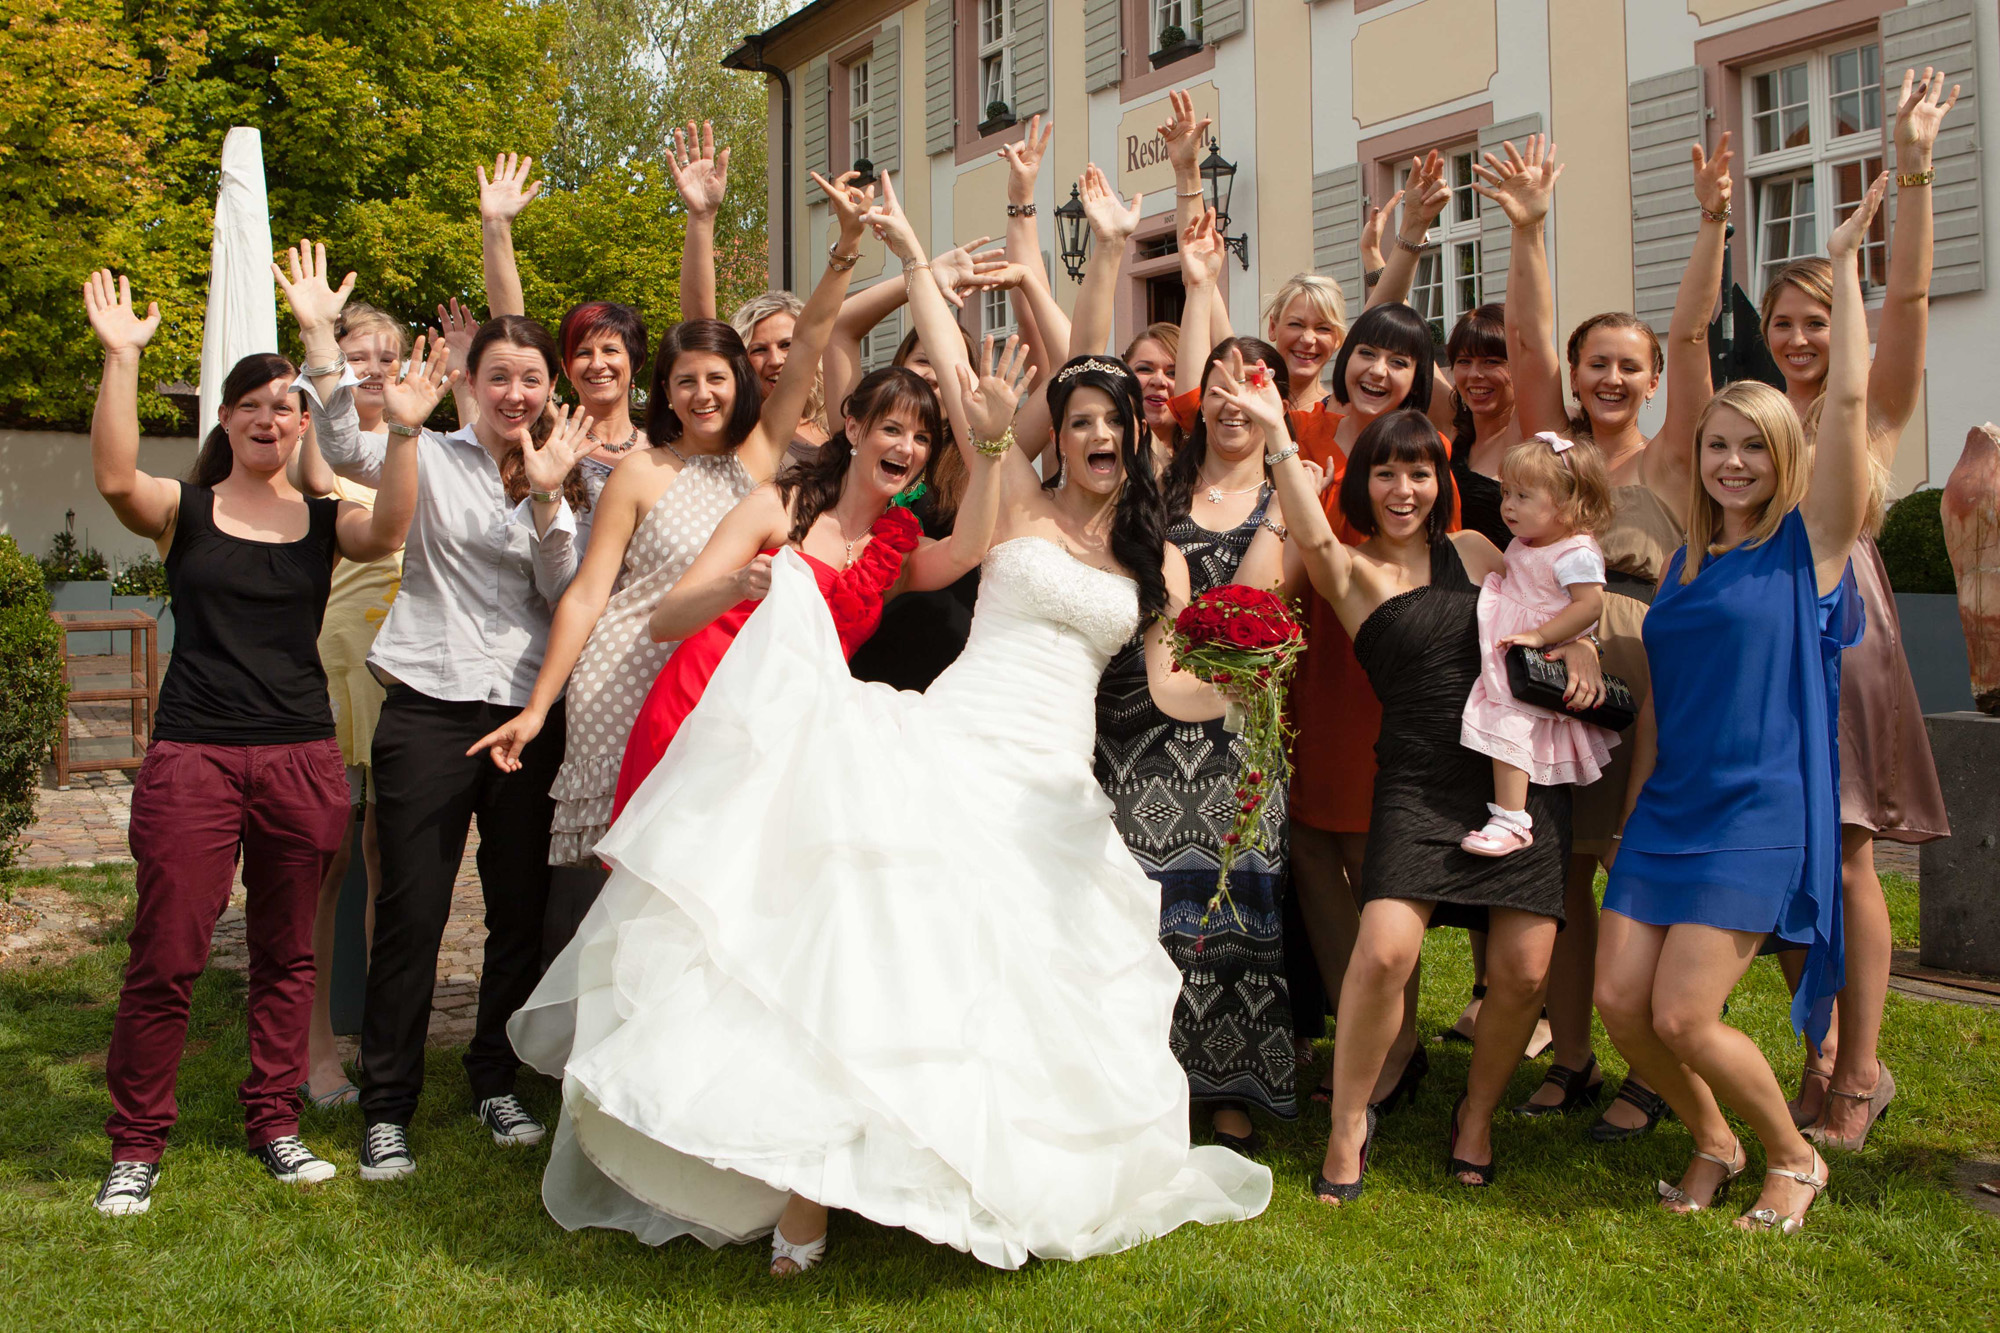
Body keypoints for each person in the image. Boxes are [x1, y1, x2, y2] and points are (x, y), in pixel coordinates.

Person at [507, 172, 1270, 1275]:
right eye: (1082, 420)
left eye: (1115, 422)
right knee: (873, 951)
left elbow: (1167, 686)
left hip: (1054, 782)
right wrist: (914, 247)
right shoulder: (1006, 499)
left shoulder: (1151, 559)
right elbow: (966, 378)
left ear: (1138, 440)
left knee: (1001, 981)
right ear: (1061, 434)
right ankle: (810, 1191)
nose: (1099, 434)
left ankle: (957, 1158)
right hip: (954, 742)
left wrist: (1244, 685)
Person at [80, 248, 445, 1215]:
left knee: (289, 956)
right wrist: (121, 356)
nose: (270, 417)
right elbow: (118, 474)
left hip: (298, 756)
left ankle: (275, 1122)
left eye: (287, 405)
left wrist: (403, 434)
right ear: (228, 419)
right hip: (194, 755)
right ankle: (136, 1145)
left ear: (299, 424)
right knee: (168, 951)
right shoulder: (185, 512)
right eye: (253, 403)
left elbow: (395, 529)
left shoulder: (327, 519)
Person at [464, 163, 867, 955]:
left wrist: (845, 247)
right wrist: (541, 706)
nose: (703, 392)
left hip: (717, 682)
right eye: (686, 381)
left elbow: (815, 335)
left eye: (717, 376)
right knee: (602, 879)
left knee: (698, 867)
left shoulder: (758, 458)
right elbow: (586, 594)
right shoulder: (641, 470)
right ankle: (579, 1051)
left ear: (740, 383)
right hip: (621, 675)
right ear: (668, 391)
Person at [1229, 369, 1599, 1202]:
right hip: (1420, 780)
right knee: (1386, 948)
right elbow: (1313, 543)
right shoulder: (1351, 573)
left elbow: (1556, 602)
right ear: (1363, 482)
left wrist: (1582, 651)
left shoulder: (1475, 553)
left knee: (1522, 969)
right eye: (1387, 472)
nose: (1404, 489)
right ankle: (1349, 1119)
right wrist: (1279, 437)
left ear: (1442, 483)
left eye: (1420, 471)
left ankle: (1475, 1114)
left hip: (1514, 776)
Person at [1594, 173, 1885, 1232]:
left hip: (1755, 813)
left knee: (1683, 1009)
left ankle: (1788, 1155)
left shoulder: (1806, 550)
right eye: (1716, 444)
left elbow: (1848, 401)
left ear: (1786, 458)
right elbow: (1663, 707)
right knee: (1622, 1006)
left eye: (1751, 446)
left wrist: (1847, 269)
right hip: (1667, 807)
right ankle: (1710, 1136)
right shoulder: (1678, 566)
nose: (1727, 461)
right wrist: (1632, 809)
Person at [311, 288, 597, 1180]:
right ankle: (387, 1102)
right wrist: (325, 342)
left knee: (516, 910)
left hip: (522, 717)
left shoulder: (567, 471)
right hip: (429, 707)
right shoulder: (429, 452)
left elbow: (566, 596)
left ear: (549, 389)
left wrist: (549, 501)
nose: (516, 393)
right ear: (471, 381)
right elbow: (340, 445)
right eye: (500, 376)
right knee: (413, 910)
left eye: (532, 378)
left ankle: (492, 1079)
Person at [1489, 132, 1727, 1129]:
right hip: (1559, 687)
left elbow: (1688, 340)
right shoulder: (1556, 463)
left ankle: (1647, 1059)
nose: (1612, 378)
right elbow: (1526, 350)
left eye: (1628, 366)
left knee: (1639, 864)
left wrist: (1711, 223)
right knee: (1568, 876)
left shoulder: (1677, 456)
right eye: (1599, 364)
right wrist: (1530, 230)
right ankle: (1576, 1052)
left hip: (1651, 682)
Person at [1764, 69, 1958, 1152]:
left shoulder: (1869, 413)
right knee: (1788, 860)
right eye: (1785, 323)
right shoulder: (1754, 425)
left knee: (1843, 855)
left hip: (1846, 639)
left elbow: (1913, 305)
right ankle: (1820, 1042)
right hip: (1766, 642)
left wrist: (1914, 169)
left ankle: (1857, 1067)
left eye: (1816, 320)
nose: (1798, 339)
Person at [1095, 327, 1299, 1156]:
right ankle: (1142, 1072)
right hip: (1142, 722)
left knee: (1237, 902)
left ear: (1276, 402)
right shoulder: (1156, 489)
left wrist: (1286, 496)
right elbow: (1166, 631)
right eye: (1216, 382)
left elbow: (1255, 609)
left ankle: (1228, 1084)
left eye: (1252, 383)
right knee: (1144, 905)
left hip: (1244, 724)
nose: (1232, 397)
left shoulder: (1292, 492)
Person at [296, 300, 407, 1106]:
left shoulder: (419, 447)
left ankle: (381, 1042)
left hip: (407, 674)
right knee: (324, 865)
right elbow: (320, 479)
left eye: (384, 354)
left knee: (389, 865)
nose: (372, 367)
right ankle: (312, 1051)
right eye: (356, 354)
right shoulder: (319, 449)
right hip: (337, 667)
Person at [1457, 431, 1618, 855]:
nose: (1507, 504)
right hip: (1516, 651)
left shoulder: (1575, 551)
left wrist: (1541, 635)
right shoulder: (1530, 541)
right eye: (1506, 492)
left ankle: (1512, 819)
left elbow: (1589, 605)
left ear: (1566, 504)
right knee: (1500, 719)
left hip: (1539, 656)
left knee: (1508, 723)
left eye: (1523, 496)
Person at [475, 151, 645, 548]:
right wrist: (496, 227)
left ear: (634, 362)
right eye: (583, 353)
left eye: (611, 351)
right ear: (565, 370)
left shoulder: (665, 446)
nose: (598, 364)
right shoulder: (546, 436)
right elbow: (511, 330)